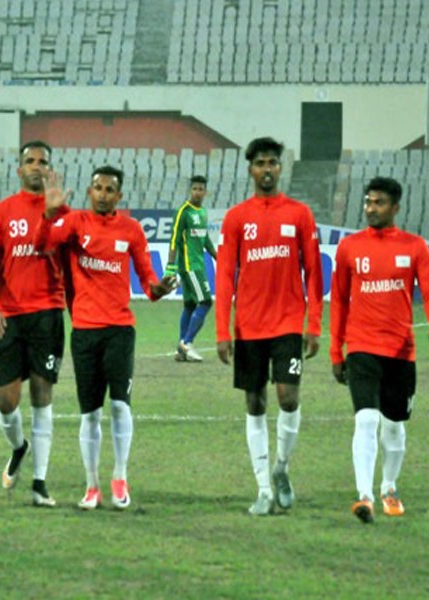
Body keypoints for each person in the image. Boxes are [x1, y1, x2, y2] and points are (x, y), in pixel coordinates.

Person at [35, 166, 177, 510]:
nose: (102, 193)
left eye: (109, 189)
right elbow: (42, 246)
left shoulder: (131, 230)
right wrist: (48, 215)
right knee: (90, 413)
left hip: (119, 330)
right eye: (97, 187)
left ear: (119, 196)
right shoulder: (75, 223)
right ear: (89, 191)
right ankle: (92, 485)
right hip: (84, 331)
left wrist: (157, 289)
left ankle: (119, 476)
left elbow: (147, 280)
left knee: (119, 405)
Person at [214, 137, 323, 516]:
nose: (266, 169)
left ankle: (281, 469)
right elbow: (225, 275)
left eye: (272, 162)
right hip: (248, 326)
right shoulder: (236, 218)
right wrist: (222, 332)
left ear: (280, 167)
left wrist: (314, 324)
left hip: (289, 322)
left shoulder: (299, 215)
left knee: (288, 397)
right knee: (255, 401)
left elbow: (314, 271)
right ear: (250, 169)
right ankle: (262, 489)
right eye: (260, 162)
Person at [329, 177, 429, 524]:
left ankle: (388, 488)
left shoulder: (414, 247)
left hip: (400, 351)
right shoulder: (350, 248)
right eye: (368, 202)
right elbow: (337, 301)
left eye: (379, 203)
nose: (371, 208)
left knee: (393, 428)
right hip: (362, 347)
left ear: (395, 207)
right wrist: (337, 351)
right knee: (365, 421)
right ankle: (364, 495)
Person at [0, 140, 68, 507]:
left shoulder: (63, 213)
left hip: (47, 315)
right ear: (19, 169)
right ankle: (19, 447)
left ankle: (40, 483)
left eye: (42, 161)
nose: (36, 166)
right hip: (8, 318)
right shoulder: (2, 213)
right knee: (6, 402)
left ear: (49, 169)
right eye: (29, 161)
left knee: (42, 398)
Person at [166, 175, 217, 362]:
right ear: (190, 190)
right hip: (189, 266)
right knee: (205, 302)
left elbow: (205, 240)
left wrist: (218, 257)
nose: (197, 192)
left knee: (190, 305)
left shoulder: (202, 212)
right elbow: (174, 239)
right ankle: (187, 343)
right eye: (194, 189)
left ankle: (181, 349)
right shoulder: (183, 212)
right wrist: (170, 267)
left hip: (198, 265)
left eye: (200, 189)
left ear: (205, 192)